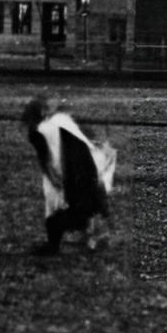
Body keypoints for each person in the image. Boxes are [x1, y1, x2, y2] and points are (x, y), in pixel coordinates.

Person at [22, 95, 117, 255]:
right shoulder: (60, 122)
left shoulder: (41, 131)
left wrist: (55, 179)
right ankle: (89, 235)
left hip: (77, 172)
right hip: (86, 169)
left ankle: (59, 242)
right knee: (85, 206)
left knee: (64, 213)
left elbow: (46, 161)